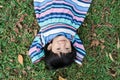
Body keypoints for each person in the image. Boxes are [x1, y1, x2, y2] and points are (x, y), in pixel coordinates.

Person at [28, 0, 92, 69]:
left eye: (58, 48)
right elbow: (80, 51)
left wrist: (37, 58)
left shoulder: (44, 37)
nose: (63, 44)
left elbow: (33, 51)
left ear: (50, 47)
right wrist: (78, 59)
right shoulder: (71, 36)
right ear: (71, 47)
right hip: (70, 4)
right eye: (67, 48)